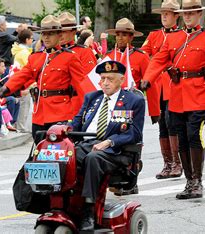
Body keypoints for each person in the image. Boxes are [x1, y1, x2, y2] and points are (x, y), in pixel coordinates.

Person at [140, 0, 205, 199]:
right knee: (181, 139)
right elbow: (159, 59)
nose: (187, 16)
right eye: (185, 13)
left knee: (194, 134)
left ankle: (197, 181)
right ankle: (189, 181)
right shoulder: (173, 38)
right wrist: (148, 79)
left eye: (192, 13)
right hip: (178, 95)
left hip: (200, 94)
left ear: (200, 15)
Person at [70, 61, 145, 231]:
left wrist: (110, 141)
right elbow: (76, 123)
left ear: (121, 80)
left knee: (93, 158)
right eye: (103, 78)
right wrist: (60, 130)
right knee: (57, 155)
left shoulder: (134, 101)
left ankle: (89, 211)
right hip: (86, 144)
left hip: (114, 151)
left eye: (110, 79)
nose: (105, 82)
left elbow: (134, 133)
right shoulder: (92, 98)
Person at [0, 15, 90, 142]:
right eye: (44, 33)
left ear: (59, 35)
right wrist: (7, 87)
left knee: (60, 153)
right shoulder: (36, 57)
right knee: (40, 152)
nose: (46, 37)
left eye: (50, 34)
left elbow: (81, 85)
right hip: (39, 114)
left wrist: (87, 110)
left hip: (61, 114)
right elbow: (24, 74)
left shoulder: (70, 57)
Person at [141, 0, 183, 179]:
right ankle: (167, 164)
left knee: (172, 122)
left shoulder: (183, 35)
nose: (164, 16)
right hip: (158, 86)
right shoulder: (154, 35)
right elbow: (144, 55)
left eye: (168, 13)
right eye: (162, 13)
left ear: (176, 16)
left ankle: (177, 162)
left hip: (174, 85)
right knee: (162, 125)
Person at [105, 18, 161, 123]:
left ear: (131, 37)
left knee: (129, 134)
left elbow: (151, 84)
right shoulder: (109, 56)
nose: (120, 38)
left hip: (131, 103)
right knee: (111, 135)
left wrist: (154, 111)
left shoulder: (141, 57)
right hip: (110, 104)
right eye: (118, 35)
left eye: (124, 35)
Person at [59, 12, 98, 116]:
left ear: (73, 32)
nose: (60, 35)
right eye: (58, 31)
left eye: (64, 32)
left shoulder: (84, 52)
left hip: (74, 106)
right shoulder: (51, 53)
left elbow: (86, 83)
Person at [11, 29, 34, 133]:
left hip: (20, 80)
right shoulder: (24, 52)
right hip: (25, 81)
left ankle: (19, 125)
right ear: (27, 39)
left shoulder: (20, 51)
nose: (32, 40)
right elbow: (29, 67)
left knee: (23, 103)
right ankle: (21, 126)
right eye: (31, 38)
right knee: (25, 103)